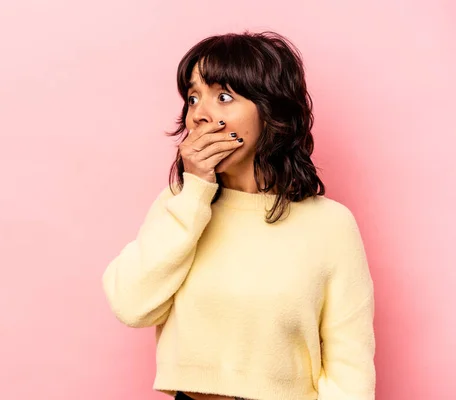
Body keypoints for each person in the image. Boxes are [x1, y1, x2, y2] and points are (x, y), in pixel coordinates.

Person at [102, 30, 375, 400]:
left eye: (224, 96)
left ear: (270, 111)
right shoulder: (182, 204)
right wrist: (195, 190)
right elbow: (131, 305)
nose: (199, 114)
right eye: (193, 98)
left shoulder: (330, 225)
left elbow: (350, 370)